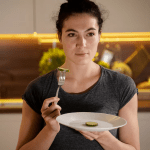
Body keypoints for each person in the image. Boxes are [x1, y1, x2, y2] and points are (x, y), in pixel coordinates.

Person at [16, 0, 140, 150]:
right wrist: (50, 130)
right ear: (60, 36)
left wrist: (102, 136)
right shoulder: (38, 89)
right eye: (72, 34)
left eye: (90, 33)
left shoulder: (122, 86)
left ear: (99, 35)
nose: (82, 43)